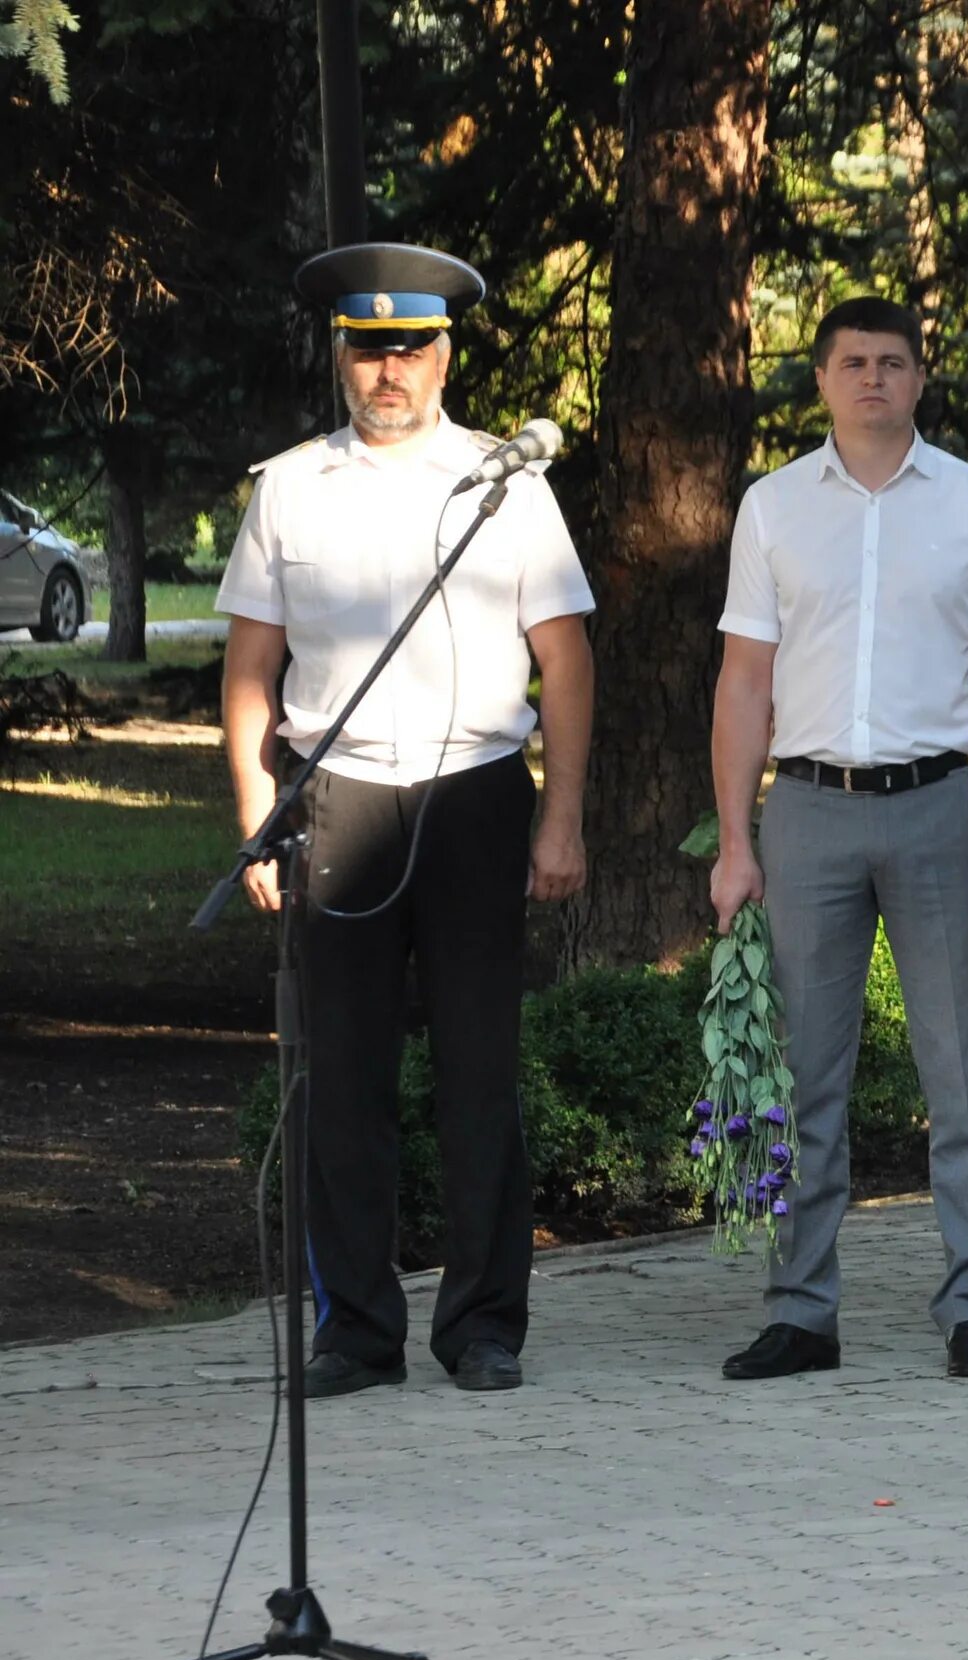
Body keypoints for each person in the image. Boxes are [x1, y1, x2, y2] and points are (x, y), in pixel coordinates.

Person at [216, 243, 597, 1399]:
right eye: (368, 349)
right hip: (336, 797)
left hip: (478, 793)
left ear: (446, 353)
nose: (390, 370)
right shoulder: (289, 486)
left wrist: (562, 818)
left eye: (411, 347)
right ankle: (356, 1331)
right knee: (342, 1078)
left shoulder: (504, 481)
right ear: (340, 356)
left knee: (481, 1071)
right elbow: (248, 670)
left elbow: (565, 661)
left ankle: (483, 1325)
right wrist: (253, 819)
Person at [707, 296, 968, 1384]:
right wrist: (736, 841)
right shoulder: (771, 509)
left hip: (939, 807)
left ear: (918, 377)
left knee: (960, 1074)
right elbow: (744, 682)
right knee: (806, 1074)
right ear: (820, 380)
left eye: (892, 362)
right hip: (805, 810)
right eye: (852, 362)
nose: (872, 380)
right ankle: (802, 1311)